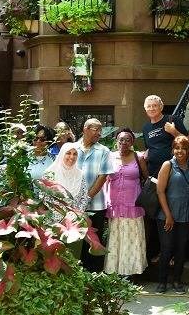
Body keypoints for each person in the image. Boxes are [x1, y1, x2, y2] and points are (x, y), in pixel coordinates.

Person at [155, 135, 189, 294]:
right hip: (167, 216)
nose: (180, 151)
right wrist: (168, 215)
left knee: (181, 249)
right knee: (166, 248)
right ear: (173, 149)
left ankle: (177, 281)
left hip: (185, 215)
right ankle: (162, 281)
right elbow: (160, 191)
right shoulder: (168, 165)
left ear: (188, 150)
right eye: (177, 148)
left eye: (183, 148)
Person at [104, 128, 148, 276]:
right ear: (116, 141)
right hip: (115, 204)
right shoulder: (110, 157)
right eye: (121, 139)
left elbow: (146, 179)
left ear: (132, 142)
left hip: (133, 205)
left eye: (127, 140)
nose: (124, 142)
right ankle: (114, 270)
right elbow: (103, 179)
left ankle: (131, 271)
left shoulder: (138, 157)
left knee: (132, 237)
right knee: (116, 237)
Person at [75, 118, 115, 272]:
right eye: (95, 129)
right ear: (85, 129)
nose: (99, 133)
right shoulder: (72, 148)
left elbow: (102, 177)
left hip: (96, 204)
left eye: (100, 130)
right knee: (76, 238)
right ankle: (78, 272)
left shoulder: (104, 151)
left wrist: (85, 199)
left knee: (94, 240)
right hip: (73, 205)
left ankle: (94, 274)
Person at [142, 95, 188, 177]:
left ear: (161, 107)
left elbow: (188, 141)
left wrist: (174, 132)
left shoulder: (172, 120)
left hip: (174, 169)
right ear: (145, 109)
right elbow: (149, 147)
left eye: (155, 105)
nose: (152, 108)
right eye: (149, 106)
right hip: (154, 171)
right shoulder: (146, 127)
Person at [44, 142, 89, 212]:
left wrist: (76, 214)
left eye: (75, 154)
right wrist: (61, 216)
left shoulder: (80, 174)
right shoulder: (49, 173)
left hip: (75, 219)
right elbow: (44, 198)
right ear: (62, 154)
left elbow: (84, 197)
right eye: (68, 153)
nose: (72, 157)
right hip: (54, 219)